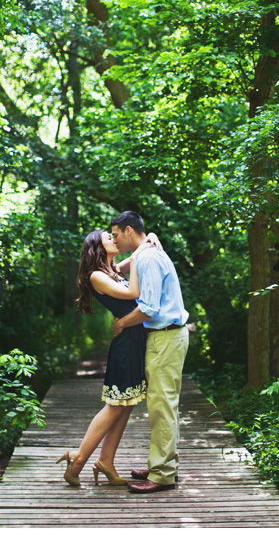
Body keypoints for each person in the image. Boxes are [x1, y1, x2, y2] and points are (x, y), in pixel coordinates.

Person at [57, 229, 159, 486]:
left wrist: (151, 236)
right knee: (115, 405)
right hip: (125, 345)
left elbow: (137, 250)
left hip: (135, 340)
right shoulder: (97, 276)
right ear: (97, 248)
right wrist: (137, 259)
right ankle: (78, 461)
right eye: (109, 238)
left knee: (127, 403)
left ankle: (106, 461)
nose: (115, 240)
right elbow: (135, 293)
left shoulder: (113, 269)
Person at [110, 210, 189, 494]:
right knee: (163, 405)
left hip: (165, 337)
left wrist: (121, 324)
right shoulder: (145, 253)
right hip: (165, 337)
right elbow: (134, 260)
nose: (114, 240)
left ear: (129, 231)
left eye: (116, 234)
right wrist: (117, 268)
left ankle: (162, 474)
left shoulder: (149, 258)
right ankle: (164, 464)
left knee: (161, 406)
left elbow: (149, 308)